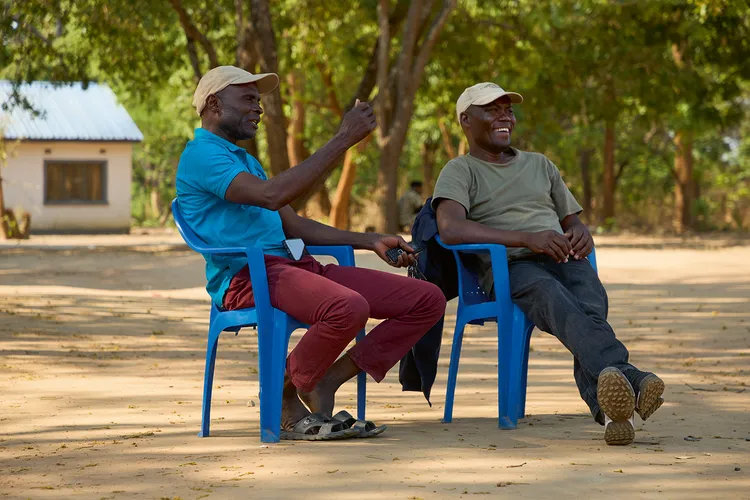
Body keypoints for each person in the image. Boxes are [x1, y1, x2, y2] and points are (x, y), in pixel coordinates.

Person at [176, 66, 446, 441]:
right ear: (214, 104)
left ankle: (324, 381)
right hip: (248, 277)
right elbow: (272, 196)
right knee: (348, 307)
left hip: (294, 267)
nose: (258, 109)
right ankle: (283, 393)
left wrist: (370, 240)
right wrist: (343, 138)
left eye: (259, 101)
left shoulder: (244, 161)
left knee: (427, 300)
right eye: (249, 99)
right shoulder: (202, 155)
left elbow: (295, 225)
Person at [432, 82, 665, 446]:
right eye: (491, 110)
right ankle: (628, 376)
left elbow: (571, 221)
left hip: (561, 255)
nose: (504, 116)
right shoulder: (460, 170)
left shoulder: (541, 164)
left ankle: (609, 411)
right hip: (512, 267)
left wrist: (581, 233)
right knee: (551, 294)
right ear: (466, 120)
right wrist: (526, 238)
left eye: (508, 109)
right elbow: (450, 227)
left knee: (590, 301)